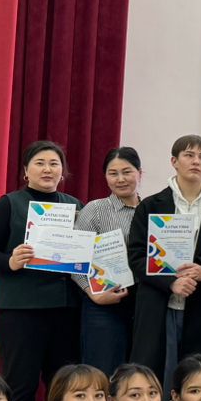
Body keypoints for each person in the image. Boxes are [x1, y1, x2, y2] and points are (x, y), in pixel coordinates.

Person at [0, 139, 83, 401]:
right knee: (21, 387)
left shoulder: (76, 206)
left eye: (54, 164)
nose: (47, 169)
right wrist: (10, 260)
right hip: (19, 311)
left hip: (65, 311)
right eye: (40, 163)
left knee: (63, 387)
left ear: (63, 171)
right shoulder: (9, 204)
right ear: (26, 171)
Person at [128, 134, 201, 396]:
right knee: (151, 381)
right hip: (158, 303)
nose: (196, 161)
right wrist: (171, 282)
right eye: (189, 155)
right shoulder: (150, 205)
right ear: (174, 161)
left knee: (197, 381)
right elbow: (136, 256)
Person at [73, 145, 143, 377]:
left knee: (138, 376)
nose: (120, 179)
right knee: (102, 375)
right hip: (103, 304)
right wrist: (92, 293)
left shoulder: (152, 210)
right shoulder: (94, 210)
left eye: (127, 171)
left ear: (140, 173)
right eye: (113, 173)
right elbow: (76, 260)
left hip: (144, 304)